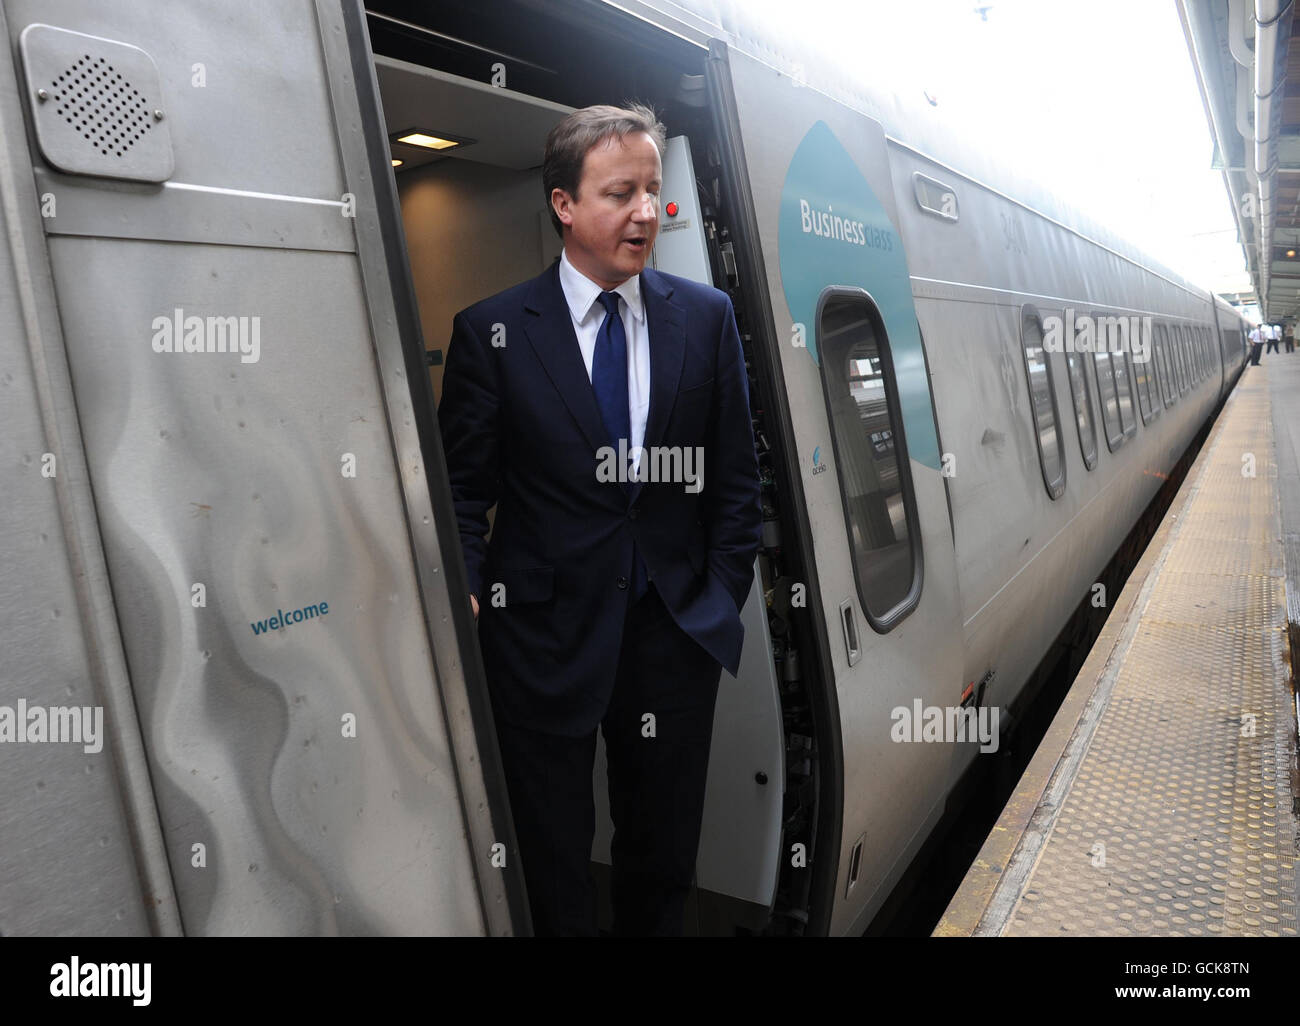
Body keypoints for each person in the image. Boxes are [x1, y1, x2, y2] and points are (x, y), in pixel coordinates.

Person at [437, 103, 762, 936]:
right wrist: (468, 592)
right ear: (564, 206)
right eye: (621, 193)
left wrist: (717, 599)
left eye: (653, 191)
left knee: (662, 860)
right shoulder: (492, 333)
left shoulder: (706, 317)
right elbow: (462, 494)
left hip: (673, 637)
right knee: (552, 861)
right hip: (540, 642)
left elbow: (735, 483)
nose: (647, 213)